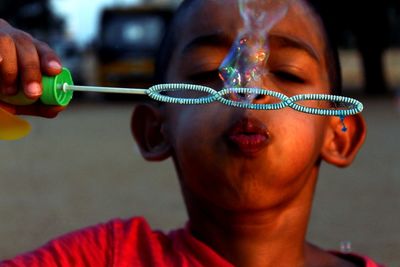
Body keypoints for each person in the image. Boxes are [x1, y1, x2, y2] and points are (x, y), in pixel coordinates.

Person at [0, 0, 383, 266]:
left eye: (286, 72)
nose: (248, 91)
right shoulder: (102, 258)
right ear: (155, 131)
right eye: (205, 73)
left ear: (340, 136)